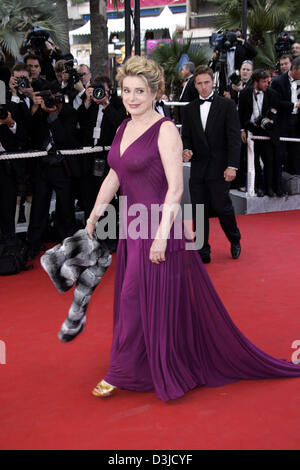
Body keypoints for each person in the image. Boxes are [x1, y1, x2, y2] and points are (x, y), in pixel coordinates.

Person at [82, 56, 300, 402]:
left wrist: (161, 235)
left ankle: (122, 370)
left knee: (132, 296)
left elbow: (175, 188)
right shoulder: (124, 127)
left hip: (159, 227)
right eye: (126, 90)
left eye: (140, 91)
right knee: (138, 298)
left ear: (155, 92)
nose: (132, 97)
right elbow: (114, 174)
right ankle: (146, 359)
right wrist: (94, 214)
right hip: (133, 227)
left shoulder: (165, 129)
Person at [182, 65, 241, 264]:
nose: (203, 87)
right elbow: (186, 136)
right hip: (198, 169)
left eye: (206, 82)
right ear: (195, 85)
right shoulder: (189, 109)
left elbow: (234, 138)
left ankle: (235, 238)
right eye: (199, 83)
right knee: (199, 210)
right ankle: (202, 251)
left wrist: (232, 165)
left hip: (220, 167)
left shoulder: (227, 105)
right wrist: (186, 149)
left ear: (212, 82)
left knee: (222, 207)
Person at [239, 69, 282, 197]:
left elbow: (276, 109)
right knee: (254, 161)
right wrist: (242, 129)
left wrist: (270, 120)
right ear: (256, 82)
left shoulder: (273, 94)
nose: (266, 84)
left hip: (267, 131)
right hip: (251, 129)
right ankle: (257, 187)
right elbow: (240, 113)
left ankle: (269, 187)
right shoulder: (245, 93)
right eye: (263, 82)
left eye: (267, 81)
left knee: (269, 159)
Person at [271, 57, 300, 175]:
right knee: (281, 154)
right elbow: (276, 102)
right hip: (282, 123)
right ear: (293, 69)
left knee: (296, 153)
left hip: (297, 123)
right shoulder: (278, 81)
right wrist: (295, 105)